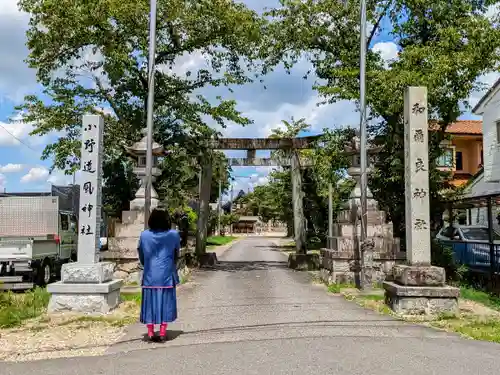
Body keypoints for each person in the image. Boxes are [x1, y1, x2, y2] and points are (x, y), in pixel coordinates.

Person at [138, 207, 181, 341]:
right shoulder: (173, 234)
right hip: (166, 274)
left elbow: (141, 254)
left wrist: (148, 265)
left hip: (150, 274)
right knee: (165, 303)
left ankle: (150, 332)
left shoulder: (144, 235)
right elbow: (176, 254)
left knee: (149, 302)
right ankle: (162, 332)